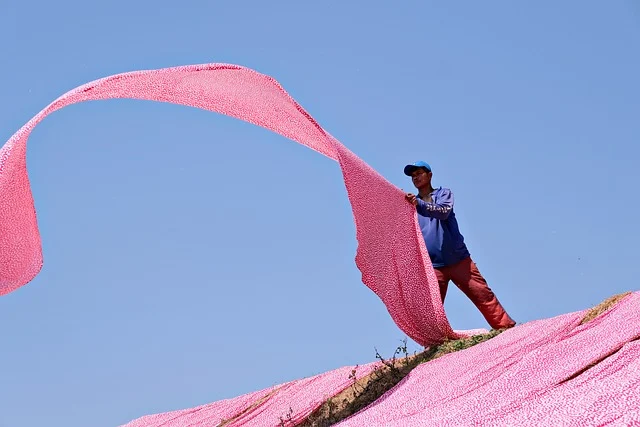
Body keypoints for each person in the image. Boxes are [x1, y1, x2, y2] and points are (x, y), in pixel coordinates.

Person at [403, 160, 516, 330]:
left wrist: (419, 204)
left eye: (419, 173)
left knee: (483, 294)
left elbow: (443, 211)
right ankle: (435, 343)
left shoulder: (443, 194)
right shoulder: (411, 205)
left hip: (458, 259)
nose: (415, 178)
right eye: (413, 176)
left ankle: (506, 328)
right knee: (431, 307)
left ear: (430, 175)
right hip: (433, 265)